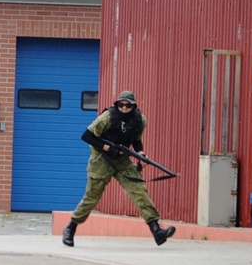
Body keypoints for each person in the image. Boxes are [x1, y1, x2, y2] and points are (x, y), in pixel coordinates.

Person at [62, 91, 176, 248]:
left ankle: (156, 230)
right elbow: (86, 136)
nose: (124, 108)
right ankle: (70, 228)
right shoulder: (108, 117)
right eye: (121, 104)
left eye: (128, 105)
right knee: (92, 197)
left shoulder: (140, 120)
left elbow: (136, 141)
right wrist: (108, 148)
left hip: (122, 160)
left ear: (133, 106)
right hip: (101, 160)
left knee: (139, 191)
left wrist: (141, 155)